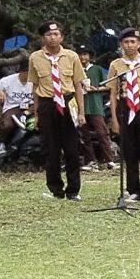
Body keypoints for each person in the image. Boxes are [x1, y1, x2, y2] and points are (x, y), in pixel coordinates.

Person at [28, 21, 87, 200]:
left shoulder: (71, 56)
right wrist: (36, 113)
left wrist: (82, 113)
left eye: (56, 34)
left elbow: (78, 85)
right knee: (50, 148)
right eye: (48, 35)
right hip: (47, 103)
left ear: (61, 36)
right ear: (43, 37)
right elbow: (35, 86)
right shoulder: (35, 58)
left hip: (68, 103)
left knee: (71, 148)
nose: (52, 38)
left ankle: (73, 190)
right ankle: (56, 189)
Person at [108, 32, 140, 204]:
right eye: (126, 42)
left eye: (133, 41)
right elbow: (113, 93)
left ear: (139, 44)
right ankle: (133, 189)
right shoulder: (116, 65)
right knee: (129, 151)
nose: (129, 45)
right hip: (125, 107)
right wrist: (114, 119)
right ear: (121, 44)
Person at [81, 44, 116, 170]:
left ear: (90, 56)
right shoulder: (76, 69)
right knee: (85, 135)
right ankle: (90, 161)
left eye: (85, 54)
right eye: (80, 54)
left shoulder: (97, 69)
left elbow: (108, 86)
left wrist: (95, 89)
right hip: (81, 107)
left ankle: (109, 159)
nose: (82, 57)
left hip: (95, 105)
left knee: (102, 133)